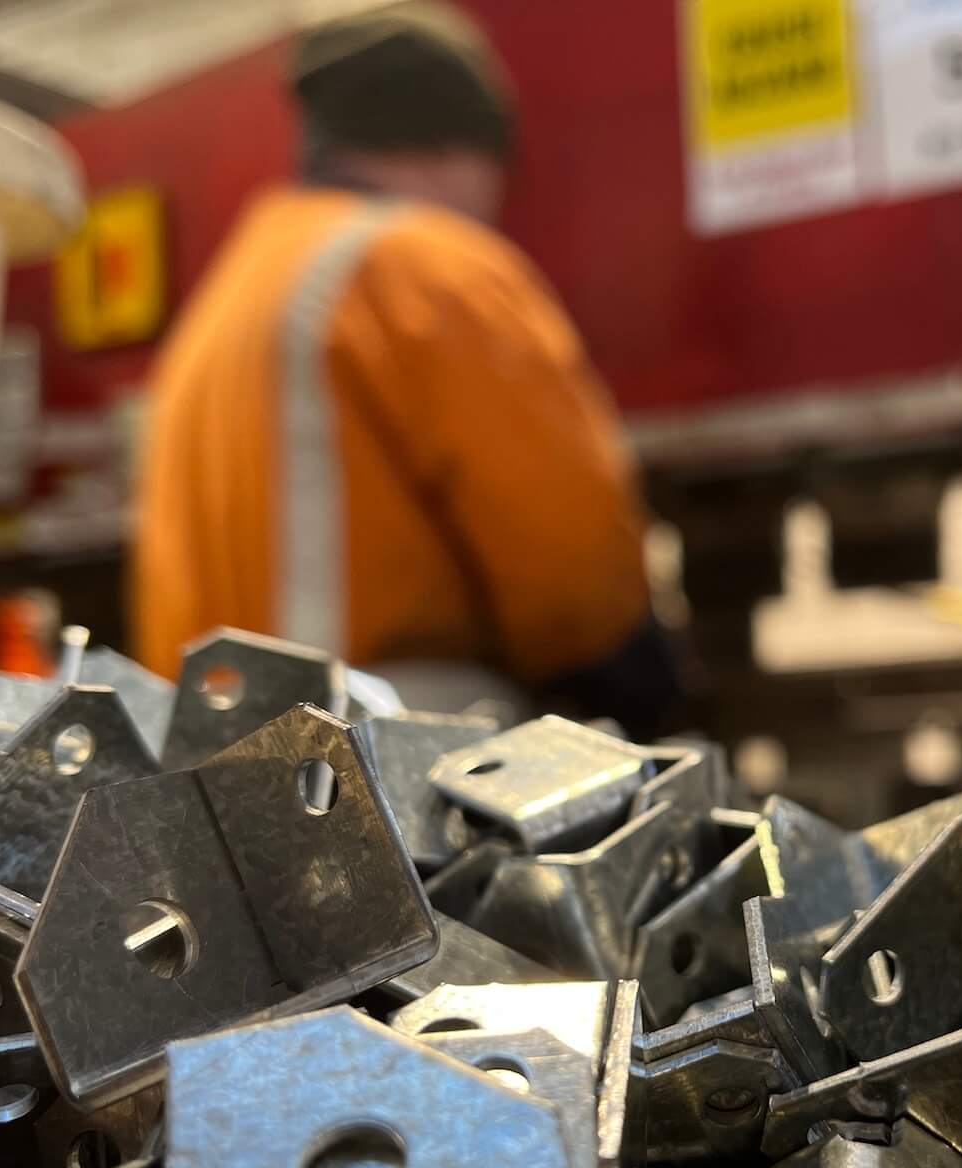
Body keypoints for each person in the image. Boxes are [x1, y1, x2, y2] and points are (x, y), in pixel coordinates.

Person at [134, 2, 676, 732]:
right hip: (382, 758)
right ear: (444, 151)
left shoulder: (227, 300)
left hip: (209, 763)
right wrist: (640, 682)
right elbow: (567, 566)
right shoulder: (424, 266)